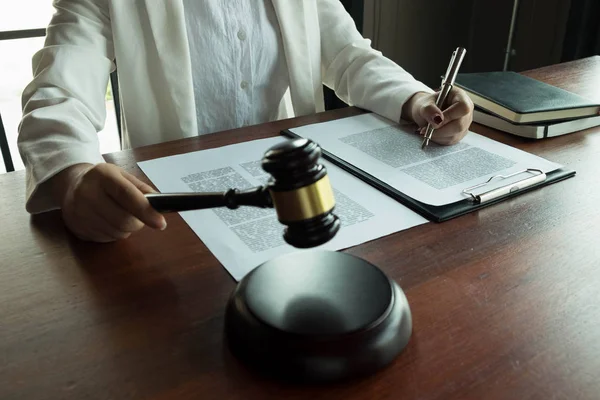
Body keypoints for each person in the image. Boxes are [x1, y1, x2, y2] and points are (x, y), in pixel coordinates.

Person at [17, 0, 474, 243]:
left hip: (288, 189)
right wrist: (74, 175)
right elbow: (58, 90)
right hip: (170, 212)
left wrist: (416, 100)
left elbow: (347, 56)